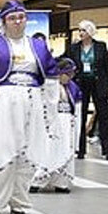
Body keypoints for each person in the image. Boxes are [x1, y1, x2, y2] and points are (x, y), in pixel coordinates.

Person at [0, 0, 66, 214]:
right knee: (2, 151)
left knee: (27, 154)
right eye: (12, 18)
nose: (18, 22)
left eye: (21, 17)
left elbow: (51, 74)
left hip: (32, 101)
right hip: (4, 100)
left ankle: (18, 202)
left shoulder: (37, 45)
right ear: (4, 21)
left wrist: (49, 103)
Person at [29, 56, 82, 194]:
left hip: (66, 122)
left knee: (66, 151)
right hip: (51, 121)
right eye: (67, 74)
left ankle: (61, 182)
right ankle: (38, 180)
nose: (69, 77)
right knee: (49, 150)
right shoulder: (47, 86)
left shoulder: (73, 88)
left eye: (72, 74)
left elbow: (76, 108)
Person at [66, 20, 108, 160]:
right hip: (81, 83)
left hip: (98, 83)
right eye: (79, 30)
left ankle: (107, 150)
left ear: (90, 32)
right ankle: (80, 149)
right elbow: (65, 61)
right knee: (81, 115)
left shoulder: (100, 46)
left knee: (104, 116)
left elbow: (107, 67)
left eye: (84, 30)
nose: (81, 33)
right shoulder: (73, 48)